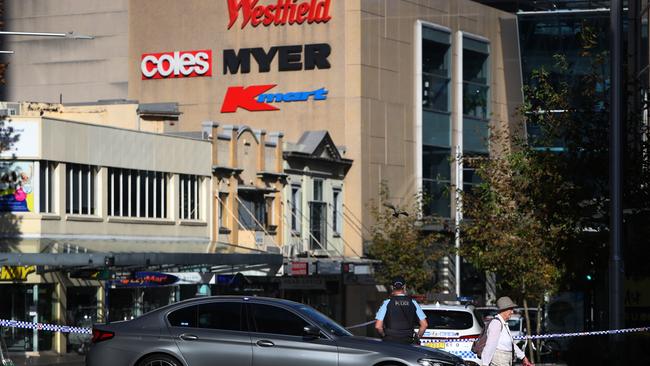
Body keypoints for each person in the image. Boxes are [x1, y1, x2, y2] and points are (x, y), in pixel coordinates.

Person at [481, 296, 534, 366]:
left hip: (504, 359)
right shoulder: (496, 323)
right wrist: (485, 364)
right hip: (499, 360)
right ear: (504, 310)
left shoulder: (503, 323)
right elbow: (490, 345)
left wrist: (523, 357)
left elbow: (511, 344)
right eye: (510, 309)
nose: (512, 312)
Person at [374, 276, 428, 344]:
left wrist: (384, 336)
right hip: (408, 342)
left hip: (390, 341)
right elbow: (424, 325)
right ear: (404, 287)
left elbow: (378, 326)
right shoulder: (413, 302)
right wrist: (417, 338)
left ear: (392, 287)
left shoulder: (387, 303)